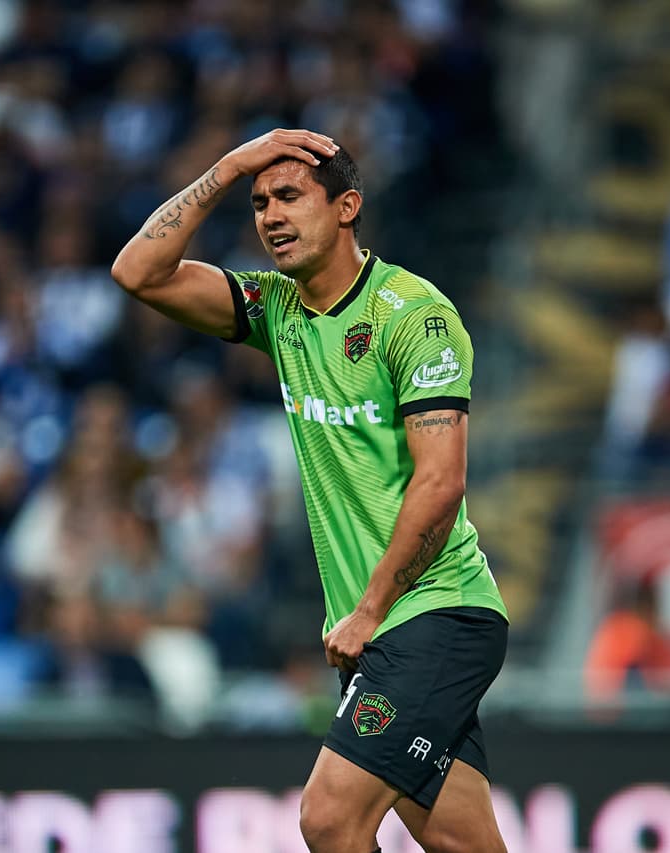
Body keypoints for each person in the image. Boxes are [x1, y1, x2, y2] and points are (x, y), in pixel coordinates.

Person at [111, 129, 509, 853]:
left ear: (347, 205)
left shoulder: (413, 316)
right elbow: (138, 270)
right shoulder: (277, 311)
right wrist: (231, 165)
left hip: (436, 612)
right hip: (377, 629)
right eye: (260, 202)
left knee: (328, 817)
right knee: (463, 842)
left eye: (289, 195)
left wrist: (369, 609)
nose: (269, 215)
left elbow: (442, 480)